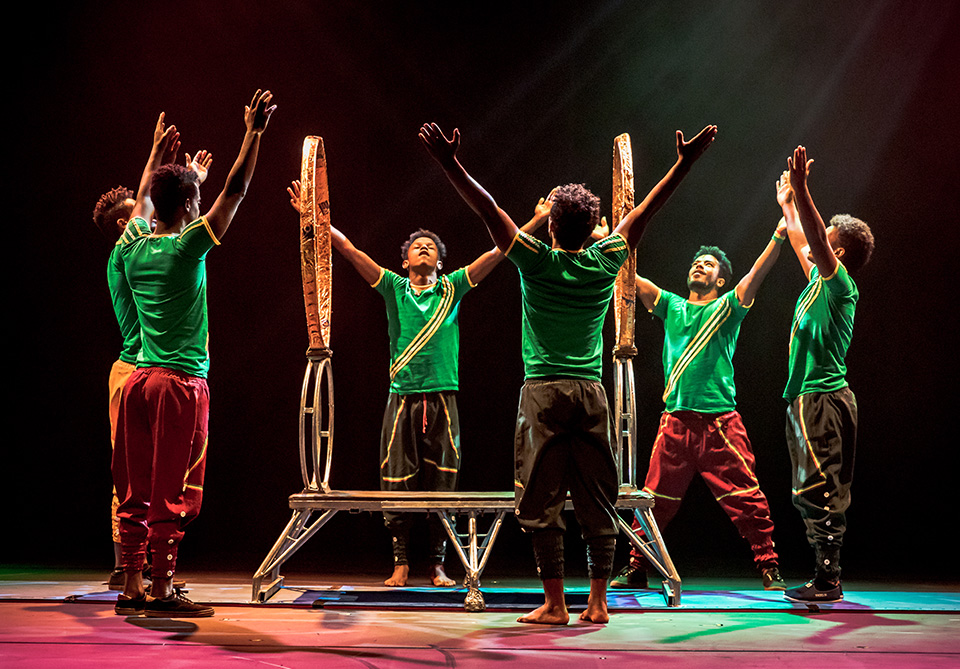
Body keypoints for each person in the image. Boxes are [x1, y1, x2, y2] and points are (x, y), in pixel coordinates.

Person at [420, 121, 716, 624]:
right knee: (598, 495)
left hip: (543, 393)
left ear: (552, 227)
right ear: (593, 226)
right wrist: (684, 163)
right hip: (590, 393)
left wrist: (450, 164)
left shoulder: (536, 260)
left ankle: (556, 604)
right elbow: (644, 212)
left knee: (542, 498)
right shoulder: (606, 260)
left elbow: (489, 211)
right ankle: (597, 603)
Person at [288, 181, 552, 587]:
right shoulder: (394, 288)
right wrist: (314, 220)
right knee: (397, 477)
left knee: (444, 479)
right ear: (405, 260)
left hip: (443, 397)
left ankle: (438, 563)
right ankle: (400, 562)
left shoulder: (452, 287)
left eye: (431, 247)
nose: (424, 248)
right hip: (402, 398)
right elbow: (351, 251)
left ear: (441, 262)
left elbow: (499, 251)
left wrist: (535, 222)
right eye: (417, 246)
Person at [112, 90, 276, 618]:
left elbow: (144, 199)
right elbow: (237, 189)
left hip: (138, 382)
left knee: (134, 487)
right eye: (196, 200)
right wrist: (253, 134)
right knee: (172, 490)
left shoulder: (131, 246)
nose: (202, 204)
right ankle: (161, 588)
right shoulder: (187, 249)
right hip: (178, 384)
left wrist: (158, 160)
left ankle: (132, 583)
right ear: (187, 207)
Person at [610, 228, 788, 592]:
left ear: (720, 280)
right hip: (675, 422)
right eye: (696, 262)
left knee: (746, 497)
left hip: (720, 422)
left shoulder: (728, 308)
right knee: (652, 500)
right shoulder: (672, 306)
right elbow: (630, 279)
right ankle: (638, 566)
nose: (699, 266)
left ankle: (769, 565)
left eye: (707, 264)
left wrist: (777, 238)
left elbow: (756, 274)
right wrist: (608, 242)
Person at [93, 146, 212, 590]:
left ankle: (139, 571)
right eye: (139, 213)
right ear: (125, 225)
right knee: (137, 478)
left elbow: (150, 200)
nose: (147, 215)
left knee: (146, 476)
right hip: (140, 369)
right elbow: (150, 202)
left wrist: (186, 180)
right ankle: (133, 568)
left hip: (146, 371)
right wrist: (185, 189)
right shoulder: (126, 253)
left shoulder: (137, 248)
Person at [779, 146, 874, 603]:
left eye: (826, 243)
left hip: (823, 398)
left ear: (835, 252)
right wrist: (788, 206)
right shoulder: (818, 283)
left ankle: (828, 579)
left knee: (819, 488)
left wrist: (802, 190)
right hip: (810, 397)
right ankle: (824, 575)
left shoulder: (840, 287)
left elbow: (814, 239)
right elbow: (804, 240)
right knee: (808, 488)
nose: (814, 249)